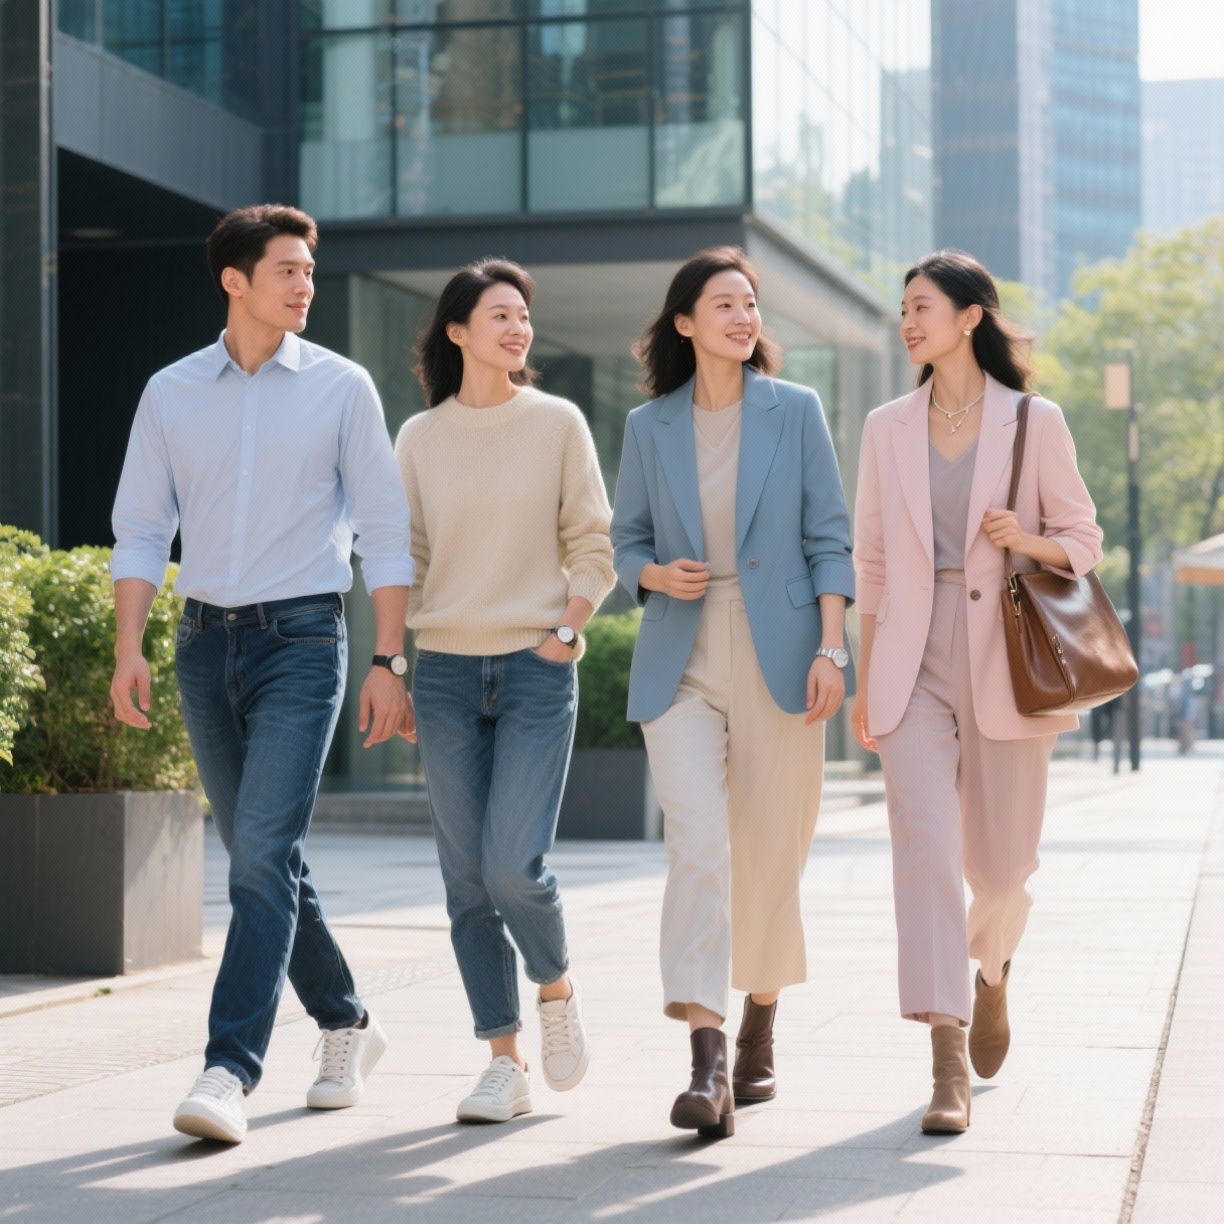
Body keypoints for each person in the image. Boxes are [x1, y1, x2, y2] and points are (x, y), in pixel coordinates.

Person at [110, 205, 413, 1144]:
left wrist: (387, 658)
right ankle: (347, 1023)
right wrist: (131, 645)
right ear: (234, 280)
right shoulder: (170, 392)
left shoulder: (342, 386)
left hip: (302, 644)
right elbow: (142, 526)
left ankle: (228, 1069)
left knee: (257, 857)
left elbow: (386, 529)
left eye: (310, 271)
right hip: (203, 644)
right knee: (263, 855)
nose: (305, 285)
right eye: (287, 270)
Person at [851, 250, 1104, 1134]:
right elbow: (873, 560)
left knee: (1000, 872)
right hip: (911, 664)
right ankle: (945, 1056)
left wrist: (1023, 539)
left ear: (970, 317)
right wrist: (868, 673)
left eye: (923, 306)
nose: (908, 321)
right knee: (923, 850)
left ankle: (993, 972)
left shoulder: (1035, 421)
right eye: (904, 308)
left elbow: (1083, 538)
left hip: (1005, 657)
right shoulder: (886, 426)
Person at [610, 247, 855, 1139]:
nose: (743, 316)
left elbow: (831, 538)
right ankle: (707, 1062)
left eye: (751, 303)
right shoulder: (649, 427)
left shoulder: (797, 412)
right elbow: (621, 542)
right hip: (680, 657)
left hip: (782, 654)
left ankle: (761, 1015)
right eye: (724, 304)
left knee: (770, 851)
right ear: (685, 323)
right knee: (700, 846)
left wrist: (833, 648)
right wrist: (650, 575)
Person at [394, 259, 615, 1125]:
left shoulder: (557, 422)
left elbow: (591, 543)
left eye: (524, 316)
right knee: (463, 882)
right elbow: (400, 560)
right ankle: (503, 1060)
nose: (518, 328)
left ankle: (555, 991)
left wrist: (565, 631)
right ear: (457, 331)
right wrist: (398, 664)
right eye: (500, 315)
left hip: (535, 666)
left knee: (512, 865)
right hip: (444, 669)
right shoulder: (418, 438)